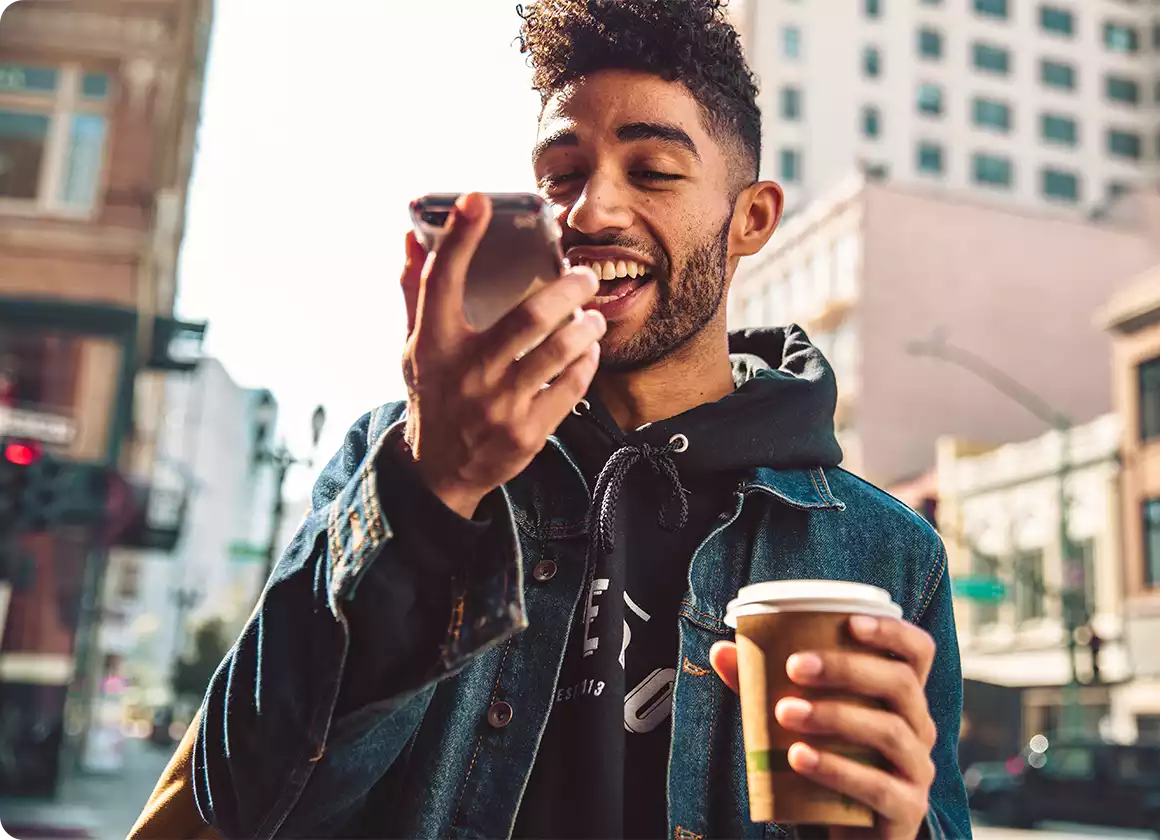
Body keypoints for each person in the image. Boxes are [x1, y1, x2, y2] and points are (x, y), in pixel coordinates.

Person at [185, 1, 970, 838]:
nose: (590, 213)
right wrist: (430, 489)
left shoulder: (887, 553)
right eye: (562, 175)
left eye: (654, 171)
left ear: (752, 219)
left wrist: (897, 828)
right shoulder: (401, 457)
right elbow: (245, 805)